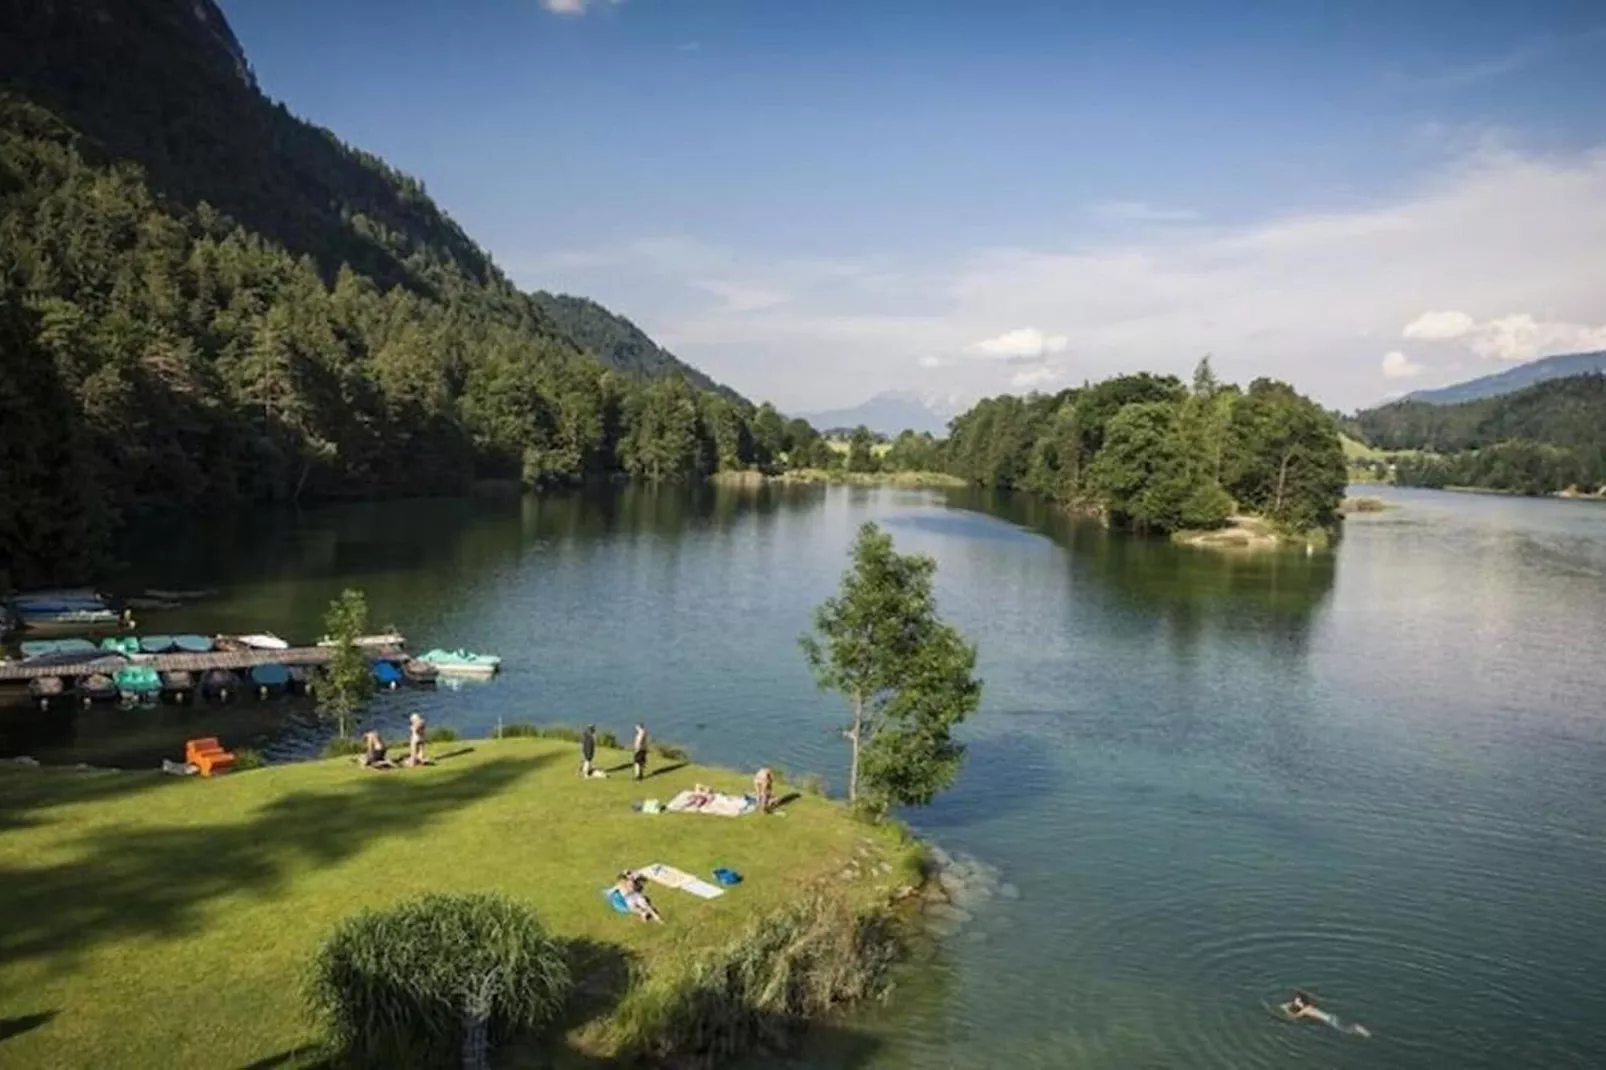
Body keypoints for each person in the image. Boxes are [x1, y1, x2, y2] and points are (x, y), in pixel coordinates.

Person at [1282, 990, 1370, 1038]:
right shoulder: (1309, 1006)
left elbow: (1293, 1017)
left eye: (1296, 1001)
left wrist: (1286, 1009)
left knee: (1346, 1031)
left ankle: (1356, 1027)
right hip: (1331, 1016)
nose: (1294, 1001)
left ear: (1301, 1002)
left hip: (1329, 1020)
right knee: (1343, 1029)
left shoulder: (1305, 1010)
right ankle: (1357, 1028)